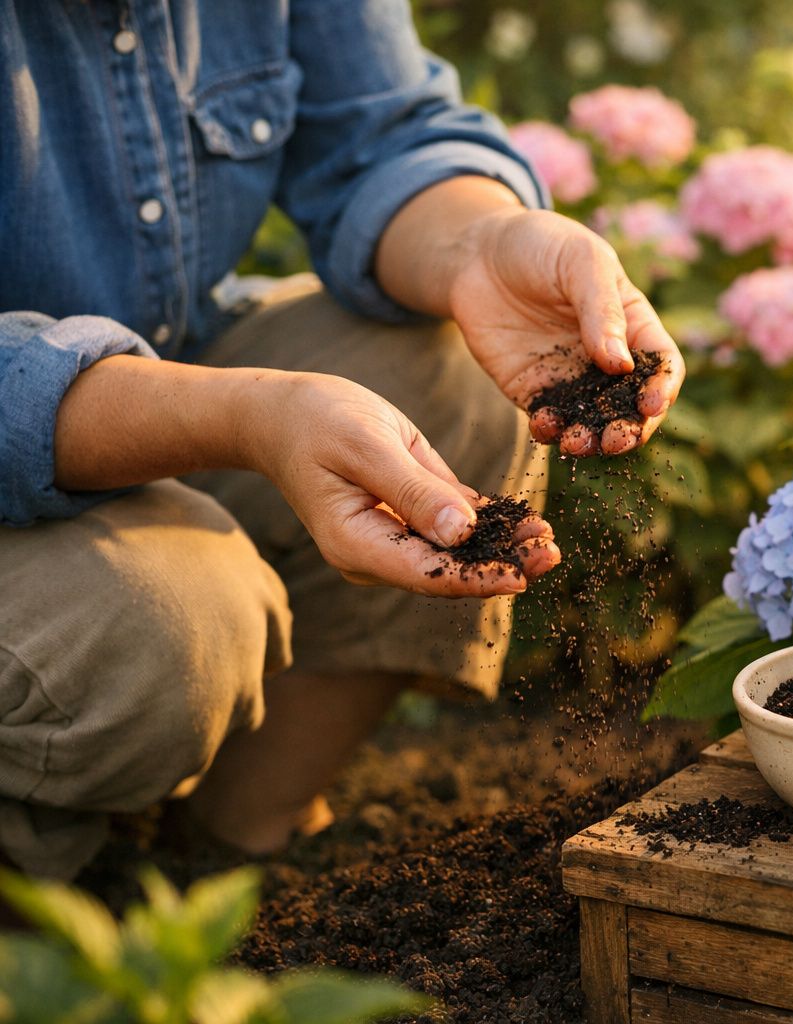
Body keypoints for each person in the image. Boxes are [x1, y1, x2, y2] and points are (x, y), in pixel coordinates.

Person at [0, 1, 683, 878]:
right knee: (161, 624)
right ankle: (58, 926)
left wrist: (480, 243)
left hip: (165, 364)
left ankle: (231, 853)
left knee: (447, 379)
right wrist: (249, 417)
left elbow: (379, 131)